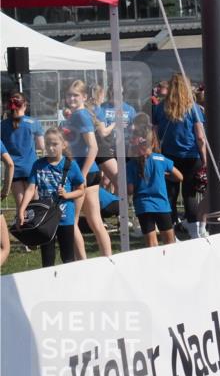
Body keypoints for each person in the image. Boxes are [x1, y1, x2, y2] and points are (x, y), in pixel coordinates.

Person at [16, 127, 86, 268]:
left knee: (68, 258)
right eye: (48, 144)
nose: (51, 147)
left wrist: (67, 195)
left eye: (55, 144)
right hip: (45, 220)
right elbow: (30, 189)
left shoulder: (70, 165)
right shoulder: (38, 164)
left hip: (65, 218)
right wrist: (21, 210)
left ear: (63, 144)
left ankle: (69, 286)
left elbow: (81, 190)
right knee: (47, 259)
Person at [152, 73, 207, 238]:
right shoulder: (194, 108)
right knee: (190, 194)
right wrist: (204, 157)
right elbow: (200, 136)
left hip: (169, 155)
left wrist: (157, 152)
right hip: (191, 155)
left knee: (170, 194)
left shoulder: (161, 107)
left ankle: (171, 230)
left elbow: (154, 133)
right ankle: (194, 229)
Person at [62, 80, 113, 258]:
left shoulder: (81, 115)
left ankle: (82, 262)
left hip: (83, 173)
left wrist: (81, 175)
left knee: (72, 222)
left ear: (84, 96)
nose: (71, 98)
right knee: (94, 221)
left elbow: (93, 147)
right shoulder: (76, 115)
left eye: (75, 95)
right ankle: (107, 258)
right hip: (84, 171)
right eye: (69, 95)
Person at [127, 126, 183, 247]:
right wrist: (164, 175)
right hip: (162, 205)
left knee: (151, 245)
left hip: (143, 206)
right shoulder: (161, 159)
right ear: (153, 143)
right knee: (170, 243)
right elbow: (180, 177)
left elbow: (130, 190)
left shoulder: (131, 164)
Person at [1, 92, 44, 213]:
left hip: (14, 169)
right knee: (36, 207)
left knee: (22, 209)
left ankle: (24, 229)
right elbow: (41, 146)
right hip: (31, 167)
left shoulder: (2, 125)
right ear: (25, 105)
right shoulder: (34, 123)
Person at [92, 84, 137, 195]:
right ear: (110, 92)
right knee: (105, 181)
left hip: (124, 149)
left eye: (119, 93)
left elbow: (135, 128)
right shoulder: (102, 108)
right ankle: (106, 204)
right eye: (114, 92)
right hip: (107, 148)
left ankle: (119, 207)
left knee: (121, 179)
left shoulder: (130, 109)